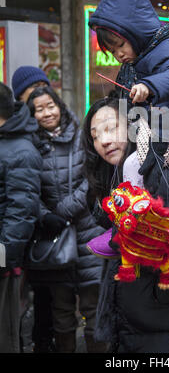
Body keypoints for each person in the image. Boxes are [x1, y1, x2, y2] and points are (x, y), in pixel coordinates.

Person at [82, 96, 169, 353]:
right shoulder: (117, 182)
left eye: (111, 128)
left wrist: (130, 227)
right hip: (133, 326)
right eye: (95, 136)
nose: (103, 141)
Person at [26, 86, 107, 353]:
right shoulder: (30, 144)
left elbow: (92, 177)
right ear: (32, 114)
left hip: (88, 233)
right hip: (54, 238)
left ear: (59, 105)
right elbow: (26, 189)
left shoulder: (82, 135)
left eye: (50, 105)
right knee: (61, 313)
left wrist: (63, 210)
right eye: (39, 109)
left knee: (93, 310)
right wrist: (45, 215)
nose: (47, 113)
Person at [89, 0, 169, 152]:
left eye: (121, 45)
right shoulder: (131, 65)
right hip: (154, 140)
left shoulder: (166, 46)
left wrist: (148, 86)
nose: (119, 55)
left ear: (135, 32)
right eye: (113, 51)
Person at [0, 82, 42, 353]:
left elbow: (22, 211)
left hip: (2, 262)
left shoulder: (20, 150)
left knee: (4, 333)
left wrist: (3, 257)